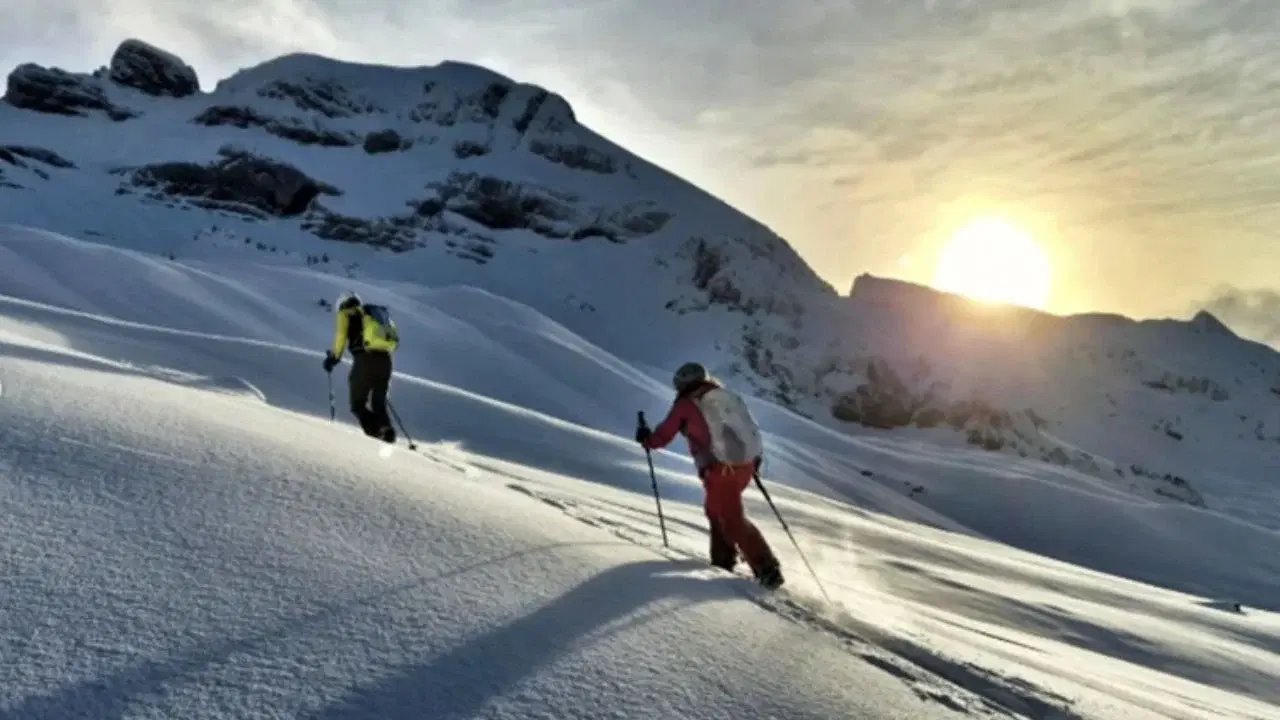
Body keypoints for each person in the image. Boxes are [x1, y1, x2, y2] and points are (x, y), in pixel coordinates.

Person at [636, 362, 783, 589]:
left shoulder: (686, 404)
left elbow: (664, 435)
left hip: (720, 470)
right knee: (715, 511)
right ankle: (723, 561)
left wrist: (647, 439)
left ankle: (767, 568)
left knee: (731, 518)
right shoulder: (724, 397)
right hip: (745, 467)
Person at [323, 291, 396, 443]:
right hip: (386, 360)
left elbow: (341, 337)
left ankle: (376, 437)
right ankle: (387, 434)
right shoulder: (372, 314)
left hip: (365, 359)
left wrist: (333, 358)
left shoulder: (346, 313)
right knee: (379, 404)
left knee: (357, 404)